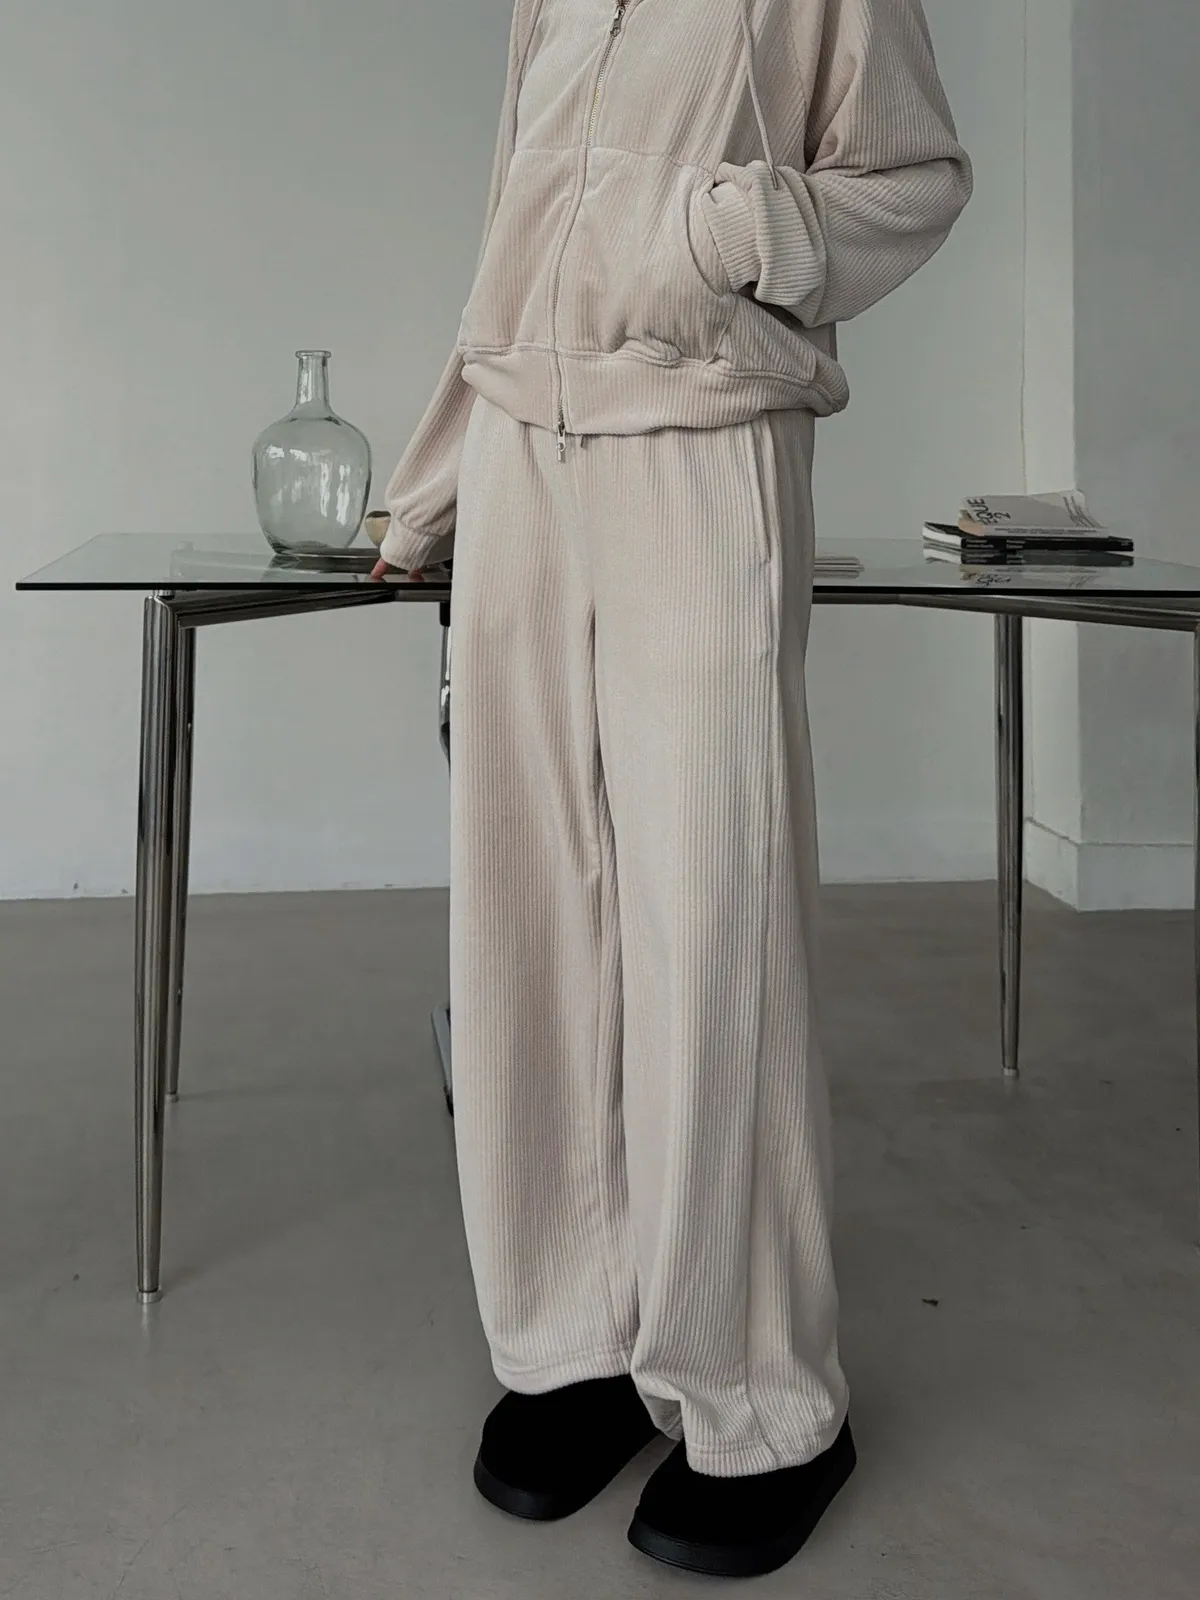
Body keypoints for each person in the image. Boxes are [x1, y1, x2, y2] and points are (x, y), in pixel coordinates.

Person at [373, 0, 971, 1579]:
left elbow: (917, 175)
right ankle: (573, 1343)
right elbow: (512, 221)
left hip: (704, 444)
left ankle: (764, 1400)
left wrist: (742, 228)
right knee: (532, 917)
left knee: (714, 918)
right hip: (523, 455)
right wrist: (433, 483)